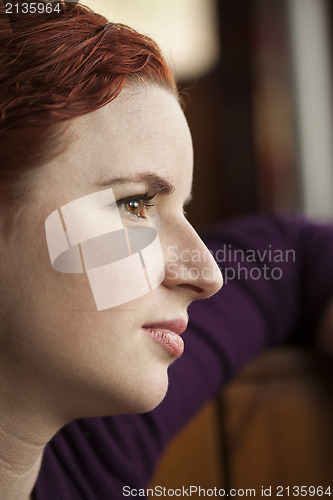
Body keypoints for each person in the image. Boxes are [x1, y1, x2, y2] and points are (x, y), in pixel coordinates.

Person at [1, 3, 333, 500]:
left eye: (181, 209)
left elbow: (293, 255)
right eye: (135, 203)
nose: (209, 274)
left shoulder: (92, 445)